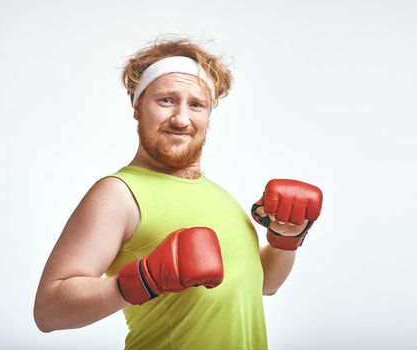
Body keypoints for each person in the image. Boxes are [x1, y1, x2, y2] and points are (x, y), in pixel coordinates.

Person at [33, 37, 323, 350]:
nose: (181, 118)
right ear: (137, 107)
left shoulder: (222, 199)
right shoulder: (118, 194)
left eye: (196, 104)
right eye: (167, 100)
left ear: (208, 115)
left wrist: (285, 240)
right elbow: (49, 311)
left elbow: (265, 284)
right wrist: (143, 280)